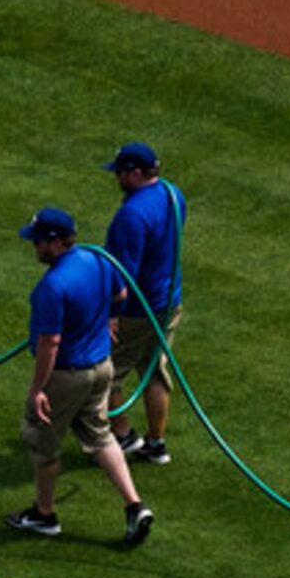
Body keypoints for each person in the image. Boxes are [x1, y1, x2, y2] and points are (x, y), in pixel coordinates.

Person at [6, 208, 154, 544]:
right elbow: (121, 295)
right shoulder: (97, 260)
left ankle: (44, 515)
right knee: (101, 436)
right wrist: (111, 319)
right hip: (102, 368)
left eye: (39, 241)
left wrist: (37, 388)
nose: (35, 248)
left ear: (56, 242)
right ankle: (135, 505)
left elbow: (50, 343)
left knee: (43, 444)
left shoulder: (52, 286)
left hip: (66, 376)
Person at [102, 141, 186, 465]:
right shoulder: (172, 194)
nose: (117, 179)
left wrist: (111, 315)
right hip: (168, 302)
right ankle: (156, 442)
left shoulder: (131, 216)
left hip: (137, 309)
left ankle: (123, 436)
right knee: (155, 372)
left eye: (121, 173)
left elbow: (123, 276)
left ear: (135, 173)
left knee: (105, 374)